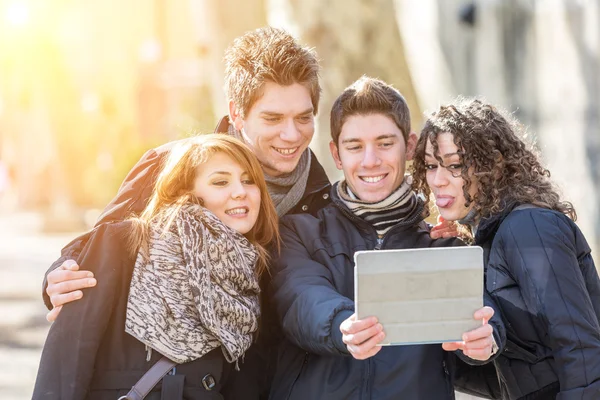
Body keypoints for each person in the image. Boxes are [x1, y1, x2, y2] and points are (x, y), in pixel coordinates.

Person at [268, 77, 505, 400]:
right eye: (354, 147)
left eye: (384, 143)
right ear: (337, 155)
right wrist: (342, 324)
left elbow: (479, 306)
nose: (370, 161)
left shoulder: (442, 240)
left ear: (409, 146)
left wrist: (486, 337)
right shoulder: (300, 230)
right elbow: (299, 296)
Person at [33, 135, 280, 399]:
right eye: (220, 181)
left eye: (249, 181)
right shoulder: (123, 244)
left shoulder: (254, 272)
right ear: (184, 192)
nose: (240, 191)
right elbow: (65, 363)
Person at [411, 97, 600, 399]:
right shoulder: (487, 239)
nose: (437, 180)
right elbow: (507, 375)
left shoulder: (528, 227)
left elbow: (579, 345)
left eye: (455, 166)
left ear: (494, 166)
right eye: (431, 166)